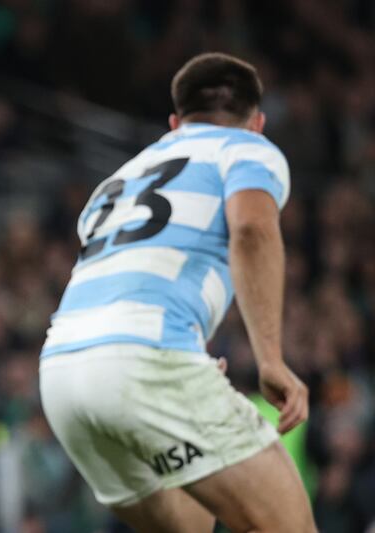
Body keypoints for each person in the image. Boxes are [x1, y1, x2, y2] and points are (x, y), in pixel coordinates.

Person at [39, 52, 317, 532]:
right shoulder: (247, 148)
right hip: (147, 358)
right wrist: (270, 359)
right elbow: (252, 229)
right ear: (257, 122)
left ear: (174, 123)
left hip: (62, 372)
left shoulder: (118, 179)